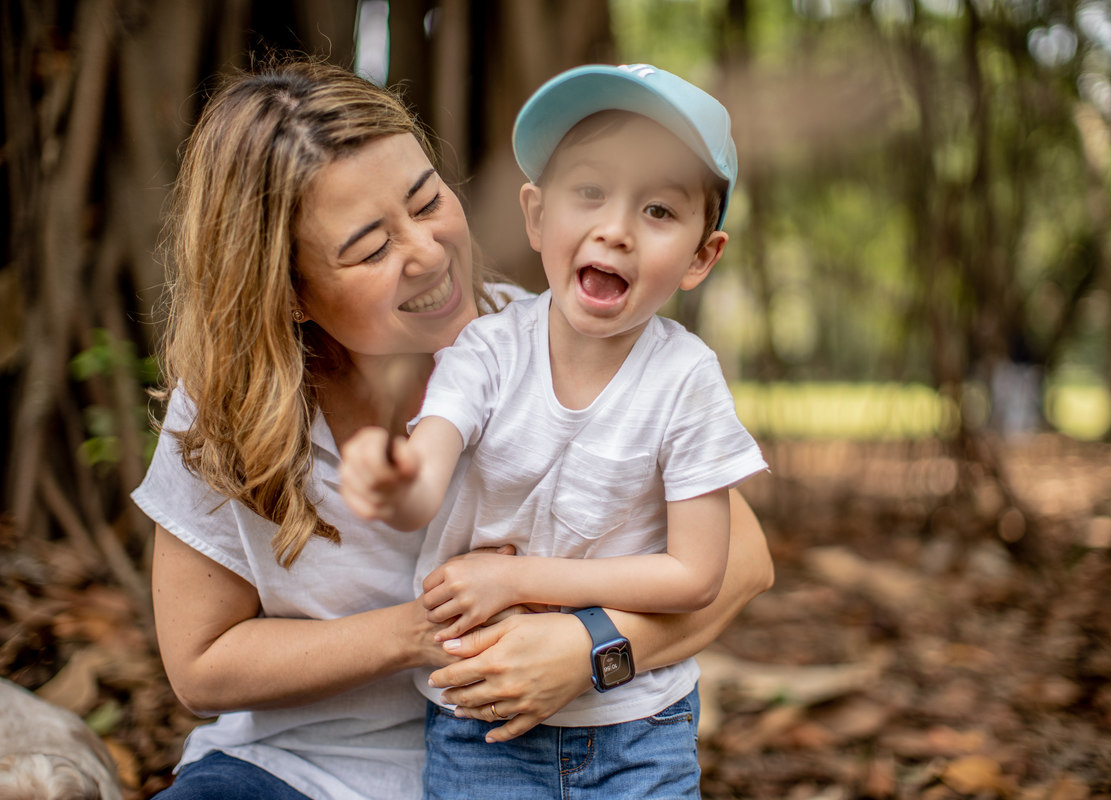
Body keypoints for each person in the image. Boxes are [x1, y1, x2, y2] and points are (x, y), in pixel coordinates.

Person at [131, 58, 773, 800]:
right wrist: (420, 632)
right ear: (290, 291)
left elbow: (740, 561)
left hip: (526, 753)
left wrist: (588, 646)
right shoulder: (226, 412)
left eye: (428, 200)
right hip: (292, 768)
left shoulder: (553, 346)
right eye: (371, 248)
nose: (429, 254)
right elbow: (201, 665)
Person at [339, 63, 767, 799]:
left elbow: (697, 576)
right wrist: (395, 481)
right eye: (590, 193)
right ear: (536, 215)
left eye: (659, 210)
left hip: (641, 726)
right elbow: (428, 475)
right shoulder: (487, 352)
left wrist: (518, 579)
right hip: (482, 723)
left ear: (703, 255)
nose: (615, 228)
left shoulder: (687, 382)